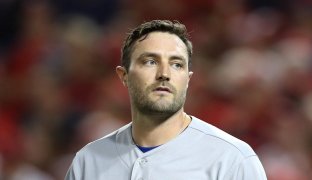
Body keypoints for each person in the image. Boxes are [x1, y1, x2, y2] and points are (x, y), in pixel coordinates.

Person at [65, 20, 267, 180]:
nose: (164, 74)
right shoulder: (88, 160)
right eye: (150, 62)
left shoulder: (231, 158)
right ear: (123, 76)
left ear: (188, 79)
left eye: (177, 64)